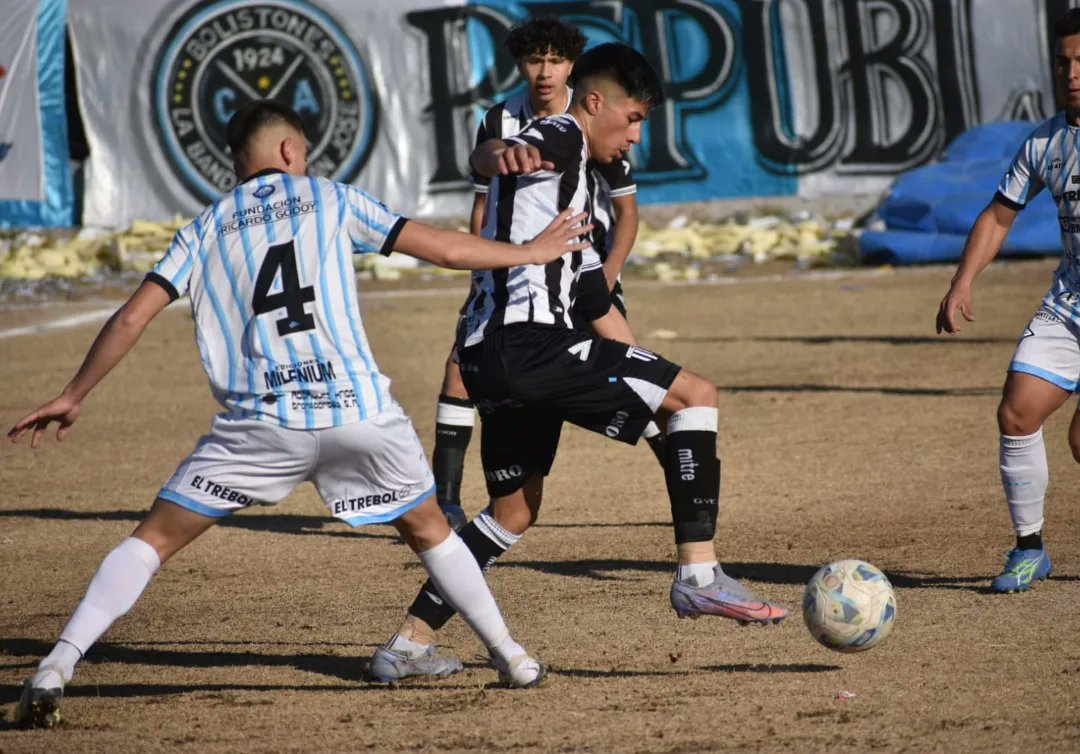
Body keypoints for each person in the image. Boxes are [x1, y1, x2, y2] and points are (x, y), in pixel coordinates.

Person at [9, 99, 593, 727]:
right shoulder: (330, 197)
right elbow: (446, 249)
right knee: (431, 532)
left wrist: (74, 394)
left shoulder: (203, 228)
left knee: (151, 540)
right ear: (290, 151)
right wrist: (529, 253)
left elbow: (131, 317)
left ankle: (58, 664)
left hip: (263, 424)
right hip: (357, 411)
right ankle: (511, 657)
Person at [369, 42, 787, 684]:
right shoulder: (563, 134)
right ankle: (699, 574)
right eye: (635, 118)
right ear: (596, 104)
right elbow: (507, 151)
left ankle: (407, 644)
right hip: (529, 346)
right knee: (699, 392)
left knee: (513, 511)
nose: (637, 136)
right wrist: (498, 154)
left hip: (492, 357)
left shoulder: (570, 198)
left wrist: (657, 410)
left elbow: (593, 297)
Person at [433, 18, 662, 532]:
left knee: (634, 371)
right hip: (511, 277)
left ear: (574, 69)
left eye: (556, 60)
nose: (544, 71)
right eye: (534, 59)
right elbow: (482, 194)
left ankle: (680, 471)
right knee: (457, 370)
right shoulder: (498, 119)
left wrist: (606, 275)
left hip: (581, 275)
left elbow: (626, 214)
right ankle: (446, 500)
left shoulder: (591, 123)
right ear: (519, 64)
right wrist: (483, 268)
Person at [935, 9, 1080, 593]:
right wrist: (962, 281)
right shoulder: (1045, 141)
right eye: (1063, 62)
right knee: (1017, 411)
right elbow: (999, 215)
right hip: (1070, 306)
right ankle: (1029, 549)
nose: (1072, 73)